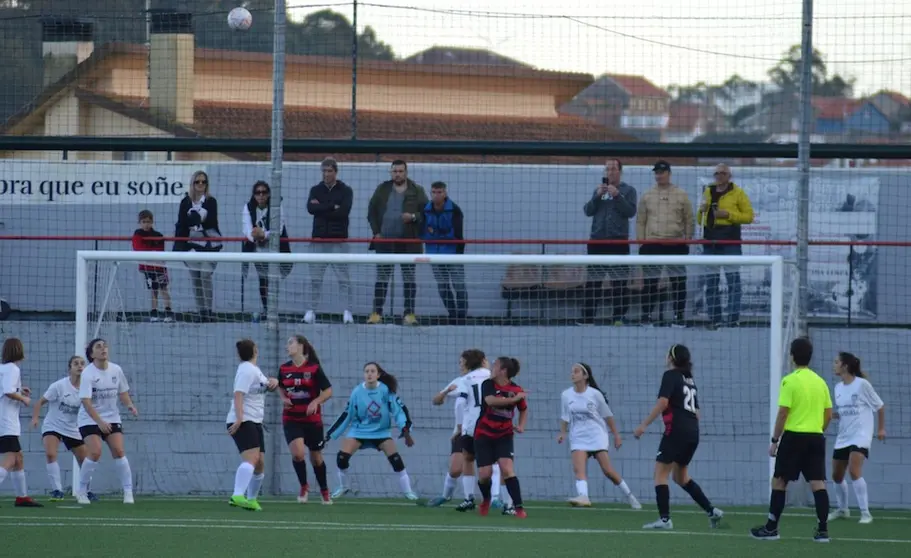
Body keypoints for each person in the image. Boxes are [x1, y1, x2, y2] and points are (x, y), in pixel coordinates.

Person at [751, 337, 832, 542]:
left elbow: (783, 414)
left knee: (779, 481)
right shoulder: (820, 382)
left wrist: (775, 440)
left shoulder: (790, 380)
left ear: (792, 356)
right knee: (818, 483)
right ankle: (822, 531)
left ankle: (771, 529)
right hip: (815, 437)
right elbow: (829, 414)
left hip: (794, 437)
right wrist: (817, 429)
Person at [634, 344, 723, 530]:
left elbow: (663, 402)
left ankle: (665, 520)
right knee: (680, 477)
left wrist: (643, 425)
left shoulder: (670, 376)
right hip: (692, 432)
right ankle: (711, 510)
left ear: (671, 358)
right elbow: (697, 412)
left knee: (660, 474)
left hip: (676, 431)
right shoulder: (689, 380)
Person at [325, 362, 418, 501]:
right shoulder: (357, 392)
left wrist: (405, 430)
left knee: (396, 460)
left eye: (372, 371)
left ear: (378, 374)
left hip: (381, 432)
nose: (369, 374)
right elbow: (347, 414)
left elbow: (399, 411)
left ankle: (408, 492)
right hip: (359, 431)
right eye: (367, 371)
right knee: (342, 458)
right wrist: (329, 434)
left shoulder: (386, 391)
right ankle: (343, 486)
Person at [558, 362, 640, 509]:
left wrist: (616, 436)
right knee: (578, 469)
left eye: (576, 372)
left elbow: (608, 416)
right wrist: (562, 433)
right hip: (578, 437)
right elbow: (565, 417)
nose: (572, 374)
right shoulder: (566, 395)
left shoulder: (595, 395)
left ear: (585, 376)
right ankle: (584, 496)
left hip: (597, 436)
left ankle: (630, 496)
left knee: (608, 471)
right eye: (571, 372)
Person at [76, 338, 138, 505]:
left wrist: (130, 405)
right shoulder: (88, 373)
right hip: (89, 418)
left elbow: (123, 393)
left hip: (112, 417)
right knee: (95, 452)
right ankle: (81, 491)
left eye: (105, 346)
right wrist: (100, 422)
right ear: (91, 353)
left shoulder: (116, 370)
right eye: (98, 347)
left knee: (118, 451)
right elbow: (86, 402)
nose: (103, 349)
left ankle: (128, 492)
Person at [366, 159, 429, 325]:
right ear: (390, 172)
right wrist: (377, 233)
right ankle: (376, 313)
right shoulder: (382, 189)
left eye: (401, 171)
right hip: (385, 242)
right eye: (395, 171)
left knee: (409, 278)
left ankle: (409, 314)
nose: (398, 174)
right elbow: (371, 211)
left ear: (406, 173)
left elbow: (427, 213)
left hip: (409, 243)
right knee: (382, 278)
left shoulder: (417, 190)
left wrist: (413, 217)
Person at [828, 352, 885, 524]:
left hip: (861, 435)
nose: (834, 365)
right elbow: (846, 411)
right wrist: (834, 415)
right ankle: (842, 509)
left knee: (854, 470)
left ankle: (865, 513)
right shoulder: (838, 388)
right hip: (843, 436)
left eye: (836, 362)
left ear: (845, 366)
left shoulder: (862, 385)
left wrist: (881, 428)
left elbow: (880, 406)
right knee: (837, 475)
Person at [635, 161, 694, 327]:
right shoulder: (647, 195)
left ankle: (679, 316)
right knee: (650, 282)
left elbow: (689, 219)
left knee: (678, 281)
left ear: (669, 173)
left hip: (676, 244)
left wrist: (687, 239)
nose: (658, 175)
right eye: (656, 173)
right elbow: (641, 221)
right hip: (652, 244)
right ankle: (646, 316)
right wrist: (641, 242)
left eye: (661, 172)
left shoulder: (681, 194)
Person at [696, 164, 755, 328]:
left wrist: (728, 215)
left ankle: (733, 319)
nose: (719, 176)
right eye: (716, 173)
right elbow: (699, 221)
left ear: (729, 176)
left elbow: (749, 217)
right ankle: (715, 319)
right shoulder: (708, 192)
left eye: (723, 173)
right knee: (711, 283)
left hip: (731, 242)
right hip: (710, 243)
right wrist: (701, 211)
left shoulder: (738, 193)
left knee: (733, 282)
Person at [581, 159, 637, 325]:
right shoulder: (598, 190)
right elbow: (588, 211)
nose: (610, 172)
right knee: (593, 283)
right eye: (607, 169)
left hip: (618, 243)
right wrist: (597, 196)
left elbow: (630, 212)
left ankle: (618, 318)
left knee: (619, 283)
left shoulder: (629, 190)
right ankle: (587, 318)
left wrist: (617, 195)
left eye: (613, 169)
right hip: (597, 242)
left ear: (620, 171)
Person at [278, 335, 333, 505]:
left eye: (290, 343)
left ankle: (324, 490)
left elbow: (328, 391)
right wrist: (283, 398)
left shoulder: (314, 369)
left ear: (301, 346)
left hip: (312, 421)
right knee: (298, 454)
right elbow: (280, 386)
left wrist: (316, 401)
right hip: (291, 418)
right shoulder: (284, 368)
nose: (287, 346)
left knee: (316, 457)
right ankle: (304, 486)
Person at [31, 356, 94, 501]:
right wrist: (35, 418)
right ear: (69, 368)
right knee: (51, 454)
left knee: (85, 460)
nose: (80, 366)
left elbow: (91, 409)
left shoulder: (87, 389)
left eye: (82, 364)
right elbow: (40, 402)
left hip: (73, 428)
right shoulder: (59, 386)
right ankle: (57, 490)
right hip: (53, 425)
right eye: (76, 364)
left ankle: (86, 490)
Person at [227, 339, 279, 511]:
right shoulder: (246, 371)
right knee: (252, 459)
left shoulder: (254, 370)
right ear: (256, 350)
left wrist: (274, 382)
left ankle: (251, 500)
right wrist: (240, 419)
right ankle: (237, 495)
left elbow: (265, 385)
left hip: (255, 421)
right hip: (244, 420)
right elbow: (238, 395)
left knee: (260, 463)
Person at [475, 357, 528, 518]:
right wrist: (513, 399)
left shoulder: (516, 389)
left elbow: (523, 409)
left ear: (503, 370)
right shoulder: (488, 384)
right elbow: (490, 401)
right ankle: (486, 499)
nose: (492, 367)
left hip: (504, 435)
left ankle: (519, 508)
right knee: (485, 474)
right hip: (483, 434)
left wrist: (521, 425)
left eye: (495, 365)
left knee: (507, 468)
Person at [451, 352, 505, 512]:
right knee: (494, 461)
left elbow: (460, 404)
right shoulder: (493, 377)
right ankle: (495, 498)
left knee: (468, 459)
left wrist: (459, 427)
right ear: (482, 361)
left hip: (471, 425)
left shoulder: (465, 379)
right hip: (491, 423)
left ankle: (469, 498)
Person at [304, 157, 354, 325]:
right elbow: (311, 208)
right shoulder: (315, 189)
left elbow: (343, 212)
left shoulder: (346, 190)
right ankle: (311, 310)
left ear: (336, 171)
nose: (326, 174)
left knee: (343, 279)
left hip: (338, 241)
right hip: (318, 240)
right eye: (323, 171)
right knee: (315, 279)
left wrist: (322, 207)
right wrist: (332, 206)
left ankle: (347, 311)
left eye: (329, 171)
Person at [426, 349, 477, 507]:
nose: (460, 366)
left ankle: (496, 499)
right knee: (456, 469)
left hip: (482, 429)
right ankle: (445, 496)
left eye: (462, 362)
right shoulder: (459, 381)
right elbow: (436, 400)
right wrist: (447, 391)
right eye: (459, 363)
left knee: (493, 467)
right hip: (461, 431)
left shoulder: (484, 380)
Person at [174, 170, 222, 321]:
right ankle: (200, 311)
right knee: (195, 278)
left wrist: (196, 219)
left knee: (205, 274)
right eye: (197, 181)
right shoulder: (185, 202)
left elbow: (211, 222)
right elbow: (182, 223)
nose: (200, 184)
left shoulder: (211, 201)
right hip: (191, 245)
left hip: (209, 245)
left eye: (203, 182)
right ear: (192, 184)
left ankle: (208, 310)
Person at [0, 337, 43, 507]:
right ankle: (22, 497)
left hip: (4, 420)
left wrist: (20, 389)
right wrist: (23, 399)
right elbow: (8, 391)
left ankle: (22, 497)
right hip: (7, 421)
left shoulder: (3, 369)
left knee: (18, 457)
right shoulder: (13, 369)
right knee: (11, 459)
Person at [241, 180, 291, 316]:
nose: (261, 195)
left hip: (274, 249)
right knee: (263, 279)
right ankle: (266, 309)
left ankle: (273, 309)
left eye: (264, 192)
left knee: (273, 279)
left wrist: (263, 235)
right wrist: (256, 236)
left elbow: (279, 229)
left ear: (269, 194)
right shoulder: (248, 207)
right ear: (254, 195)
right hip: (258, 250)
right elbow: (246, 230)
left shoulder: (276, 206)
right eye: (258, 192)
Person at [420, 181, 468, 323]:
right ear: (430, 193)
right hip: (434, 255)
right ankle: (452, 315)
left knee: (459, 285)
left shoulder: (455, 210)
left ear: (445, 193)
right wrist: (438, 234)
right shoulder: (425, 210)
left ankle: (462, 316)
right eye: (434, 192)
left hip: (452, 254)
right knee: (442, 287)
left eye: (439, 192)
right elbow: (423, 232)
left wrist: (435, 233)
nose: (436, 195)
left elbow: (457, 235)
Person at [132, 209, 173, 322]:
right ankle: (154, 313)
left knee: (164, 288)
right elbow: (138, 248)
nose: (146, 224)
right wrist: (151, 253)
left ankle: (168, 312)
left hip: (159, 267)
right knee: (154, 290)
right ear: (139, 222)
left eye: (148, 222)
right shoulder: (138, 234)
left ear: (152, 222)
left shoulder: (158, 235)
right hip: (148, 268)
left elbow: (160, 251)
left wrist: (152, 254)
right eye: (143, 222)